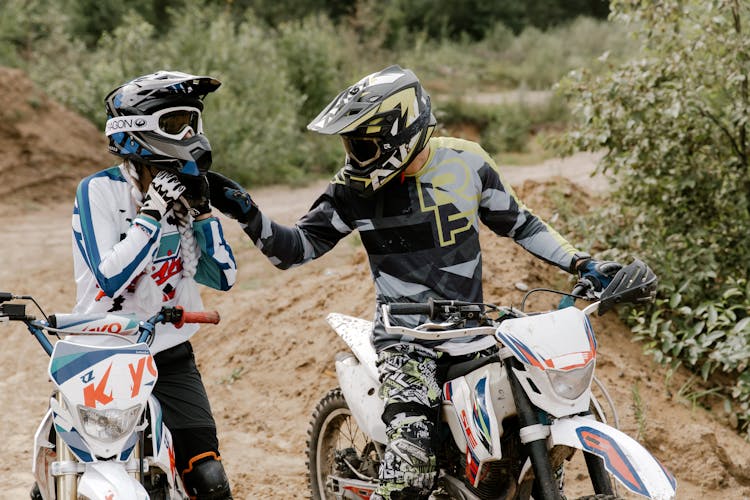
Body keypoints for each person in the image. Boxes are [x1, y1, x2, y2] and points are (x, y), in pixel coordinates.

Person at [207, 65, 620, 500]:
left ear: (399, 131)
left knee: (535, 430)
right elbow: (293, 251)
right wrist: (247, 212)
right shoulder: (352, 189)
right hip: (405, 341)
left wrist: (582, 263)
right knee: (410, 466)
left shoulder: (467, 163)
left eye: (362, 143)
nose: (353, 155)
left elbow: (521, 224)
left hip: (476, 332)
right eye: (351, 143)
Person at [68, 71, 237, 499]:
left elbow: (225, 277)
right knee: (106, 471)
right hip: (107, 352)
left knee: (209, 479)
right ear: (137, 130)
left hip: (168, 351)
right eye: (176, 123)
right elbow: (109, 278)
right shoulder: (98, 191)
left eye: (192, 123)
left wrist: (202, 215)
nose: (189, 134)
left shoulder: (183, 193)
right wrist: (151, 213)